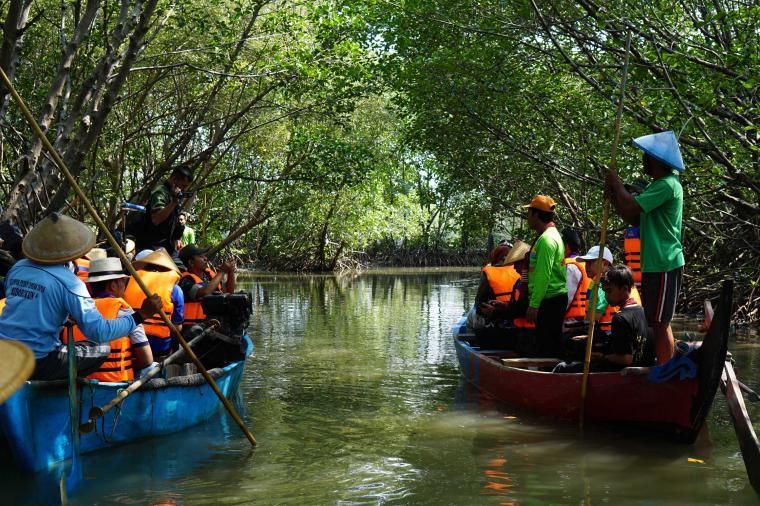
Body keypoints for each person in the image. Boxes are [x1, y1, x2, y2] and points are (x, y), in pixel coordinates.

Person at [0, 213, 161, 380]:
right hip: (37, 362)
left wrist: (61, 316)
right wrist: (141, 315)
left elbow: (23, 302)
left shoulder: (18, 268)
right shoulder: (70, 283)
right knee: (102, 349)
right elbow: (99, 332)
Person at [605, 130, 685, 363]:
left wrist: (617, 184)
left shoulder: (668, 185)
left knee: (660, 322)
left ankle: (666, 368)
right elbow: (633, 217)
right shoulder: (656, 185)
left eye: (646, 156)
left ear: (656, 160)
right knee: (655, 320)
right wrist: (614, 196)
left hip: (665, 261)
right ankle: (664, 365)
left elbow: (631, 208)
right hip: (654, 262)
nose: (643, 160)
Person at [66, 257, 154, 381]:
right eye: (123, 282)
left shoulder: (76, 311)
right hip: (116, 384)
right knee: (153, 366)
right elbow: (146, 359)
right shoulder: (125, 311)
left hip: (80, 384)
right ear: (113, 285)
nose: (124, 286)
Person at [558, 265, 654, 372]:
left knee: (562, 367)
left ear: (625, 289)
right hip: (643, 365)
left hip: (620, 372)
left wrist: (602, 357)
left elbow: (626, 359)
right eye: (605, 292)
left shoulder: (620, 318)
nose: (607, 296)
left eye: (609, 291)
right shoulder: (644, 311)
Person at [523, 195, 567, 357]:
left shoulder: (547, 240)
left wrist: (534, 305)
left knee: (547, 349)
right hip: (551, 299)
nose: (527, 217)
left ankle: (551, 378)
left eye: (529, 213)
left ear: (536, 215)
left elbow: (543, 276)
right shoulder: (550, 236)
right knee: (549, 347)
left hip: (549, 301)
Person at [123, 248, 183, 359]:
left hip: (130, 343)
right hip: (160, 345)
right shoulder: (176, 289)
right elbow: (177, 327)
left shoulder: (127, 282)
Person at [135, 165, 193, 255]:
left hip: (167, 248)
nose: (184, 189)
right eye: (183, 185)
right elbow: (156, 219)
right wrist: (174, 202)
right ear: (174, 180)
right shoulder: (161, 192)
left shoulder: (172, 195)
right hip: (151, 246)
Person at [178, 244, 236, 327]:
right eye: (201, 257)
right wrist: (222, 271)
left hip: (213, 324)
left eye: (205, 256)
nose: (205, 259)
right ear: (191, 262)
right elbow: (205, 292)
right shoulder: (185, 280)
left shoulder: (209, 275)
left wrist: (231, 272)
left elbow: (229, 292)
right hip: (194, 328)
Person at [561, 228, 589, 335]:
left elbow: (566, 297)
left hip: (571, 321)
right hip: (584, 317)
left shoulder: (570, 266)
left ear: (566, 247)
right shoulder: (586, 263)